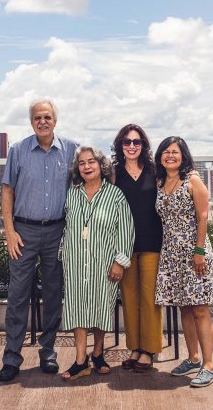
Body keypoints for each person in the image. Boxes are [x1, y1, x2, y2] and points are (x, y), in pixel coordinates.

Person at [0, 99, 79, 383]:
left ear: (55, 120)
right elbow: (7, 191)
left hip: (57, 232)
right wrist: (10, 232)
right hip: (24, 232)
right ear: (31, 122)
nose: (42, 121)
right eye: (37, 118)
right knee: (18, 296)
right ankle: (11, 358)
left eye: (47, 117)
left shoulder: (72, 150)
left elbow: (94, 179)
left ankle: (48, 352)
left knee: (54, 295)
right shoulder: (18, 151)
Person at [60, 146, 134, 380]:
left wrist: (119, 262)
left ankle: (99, 354)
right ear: (78, 169)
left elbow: (126, 230)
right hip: (75, 261)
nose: (87, 167)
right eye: (82, 163)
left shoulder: (115, 195)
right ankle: (81, 361)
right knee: (77, 308)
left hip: (105, 263)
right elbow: (66, 226)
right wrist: (64, 252)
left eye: (91, 162)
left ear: (101, 166)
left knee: (102, 307)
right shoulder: (72, 193)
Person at [154, 136, 213, 388]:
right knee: (184, 307)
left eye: (175, 152)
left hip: (194, 253)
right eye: (166, 152)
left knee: (200, 309)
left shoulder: (193, 180)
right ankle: (192, 358)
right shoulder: (160, 182)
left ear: (183, 156)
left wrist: (199, 251)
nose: (170, 156)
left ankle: (209, 364)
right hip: (171, 255)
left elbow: (203, 216)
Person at [111, 124, 163, 372]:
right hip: (125, 247)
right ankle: (134, 348)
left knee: (150, 299)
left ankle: (149, 349)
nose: (132, 146)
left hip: (153, 243)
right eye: (127, 142)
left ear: (144, 145)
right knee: (129, 299)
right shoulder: (114, 174)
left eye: (137, 142)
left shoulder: (155, 171)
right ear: (120, 146)